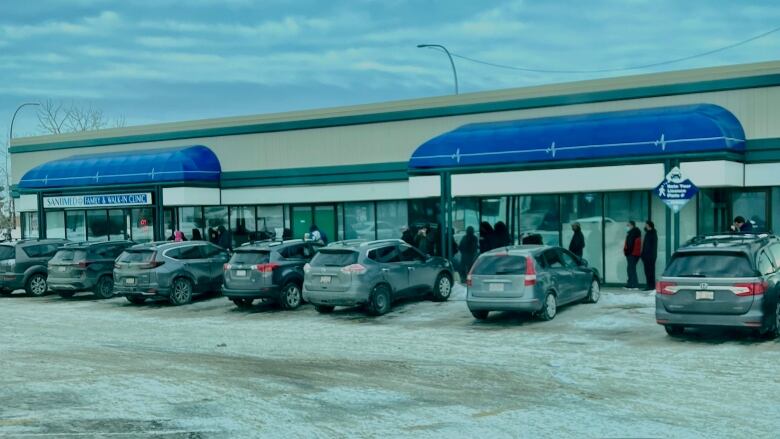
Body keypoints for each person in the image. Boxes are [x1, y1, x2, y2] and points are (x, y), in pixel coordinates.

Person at [623, 220, 642, 290]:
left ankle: (634, 284)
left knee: (631, 269)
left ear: (632, 225)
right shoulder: (633, 232)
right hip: (633, 254)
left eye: (628, 225)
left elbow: (630, 244)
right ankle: (631, 283)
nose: (627, 227)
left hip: (632, 254)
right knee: (630, 269)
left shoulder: (633, 233)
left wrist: (627, 251)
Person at [641, 220, 658, 292]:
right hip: (647, 256)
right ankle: (650, 285)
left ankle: (650, 285)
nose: (645, 226)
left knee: (650, 271)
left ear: (648, 225)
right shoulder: (648, 233)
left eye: (646, 224)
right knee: (647, 271)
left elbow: (650, 246)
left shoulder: (652, 234)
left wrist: (646, 255)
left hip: (650, 256)